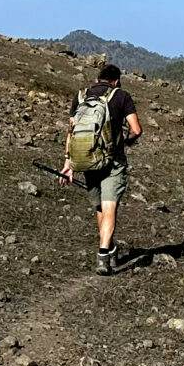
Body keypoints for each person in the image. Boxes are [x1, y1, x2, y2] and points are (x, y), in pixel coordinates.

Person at [59, 63, 142, 275]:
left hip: (88, 159)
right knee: (110, 207)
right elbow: (136, 129)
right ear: (115, 80)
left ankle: (110, 248)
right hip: (113, 162)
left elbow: (72, 130)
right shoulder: (121, 96)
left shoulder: (81, 97)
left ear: (98, 78)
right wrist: (126, 142)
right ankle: (103, 255)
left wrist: (68, 164)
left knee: (100, 208)